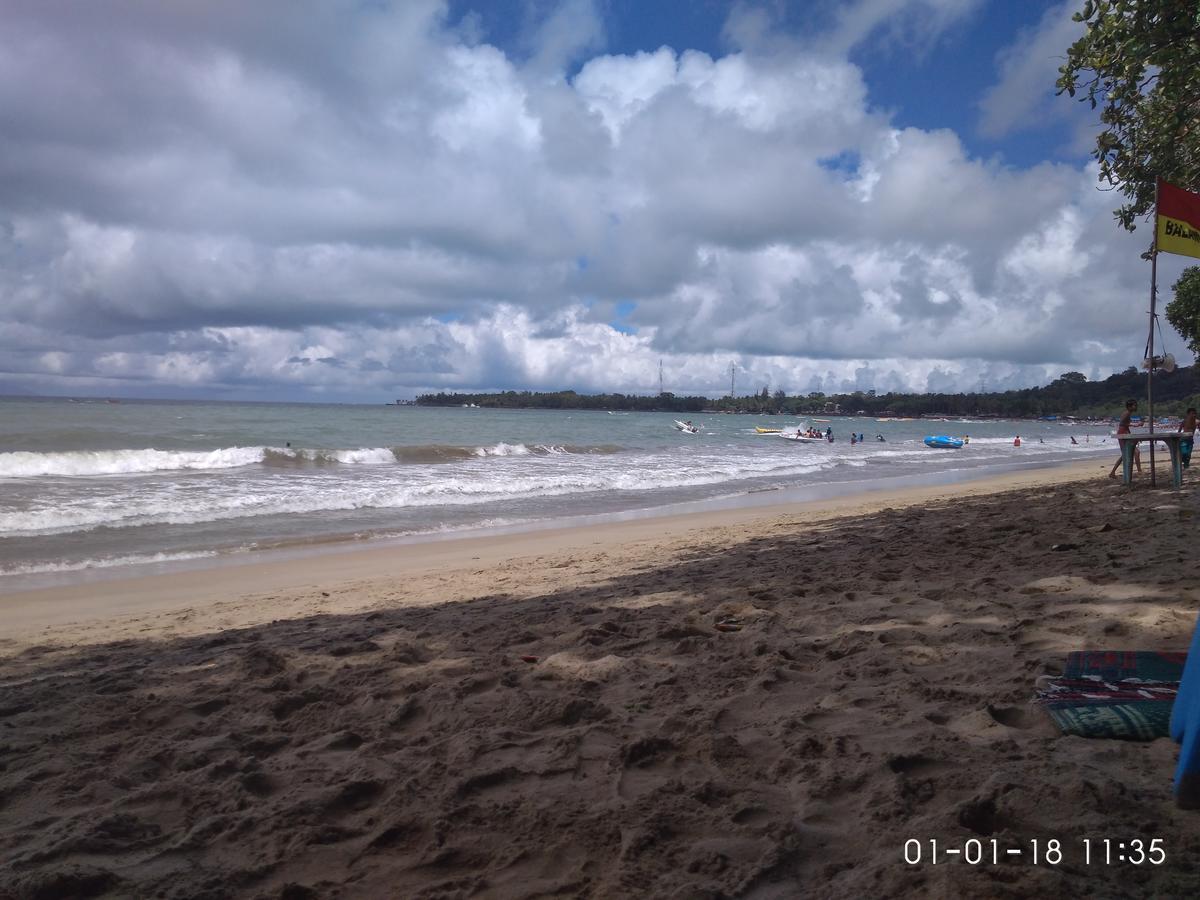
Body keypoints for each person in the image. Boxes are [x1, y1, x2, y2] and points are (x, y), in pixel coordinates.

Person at [1109, 398, 1142, 479]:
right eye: (1134, 405)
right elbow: (1123, 424)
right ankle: (1139, 472)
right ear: (1129, 406)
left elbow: (1125, 424)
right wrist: (1136, 425)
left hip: (1124, 433)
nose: (1136, 406)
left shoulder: (1128, 413)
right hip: (1123, 433)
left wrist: (1130, 429)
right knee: (1136, 452)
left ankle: (1112, 473)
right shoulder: (1127, 413)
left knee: (1125, 454)